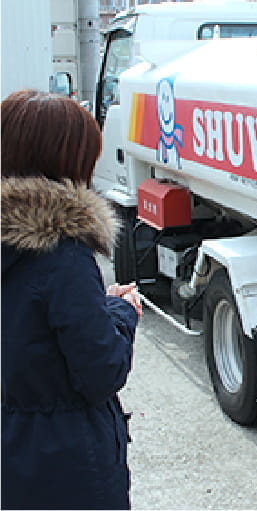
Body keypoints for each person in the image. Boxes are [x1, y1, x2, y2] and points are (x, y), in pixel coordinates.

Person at [1, 89, 143, 509]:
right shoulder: (64, 256)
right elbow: (101, 370)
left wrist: (94, 305)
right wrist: (120, 311)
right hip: (66, 463)